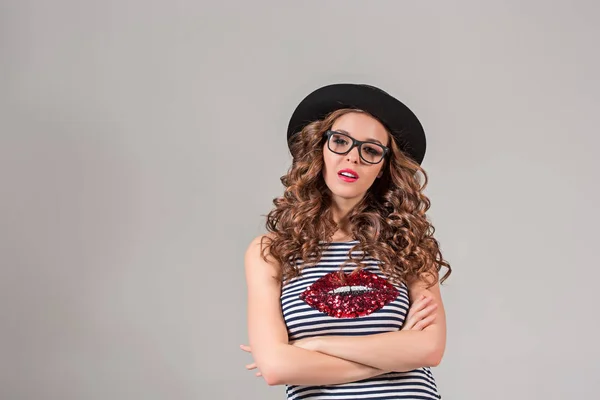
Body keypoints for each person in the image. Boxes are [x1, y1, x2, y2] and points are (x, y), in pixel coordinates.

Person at [240, 83, 452, 399]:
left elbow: (429, 349)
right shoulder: (270, 251)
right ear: (319, 149)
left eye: (370, 150)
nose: (352, 158)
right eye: (340, 141)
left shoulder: (409, 244)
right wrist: (393, 356)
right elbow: (276, 366)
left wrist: (316, 345)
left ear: (382, 167)